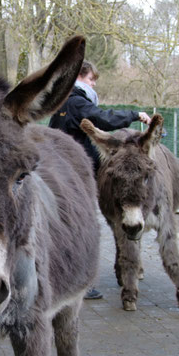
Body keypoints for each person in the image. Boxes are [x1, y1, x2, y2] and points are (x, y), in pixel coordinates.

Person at [49, 60, 151, 300]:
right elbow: (102, 119)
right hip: (73, 177)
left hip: (63, 174)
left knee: (67, 227)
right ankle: (75, 282)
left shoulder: (62, 103)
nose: (94, 85)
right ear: (80, 77)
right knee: (78, 229)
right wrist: (134, 115)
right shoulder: (76, 102)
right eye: (92, 79)